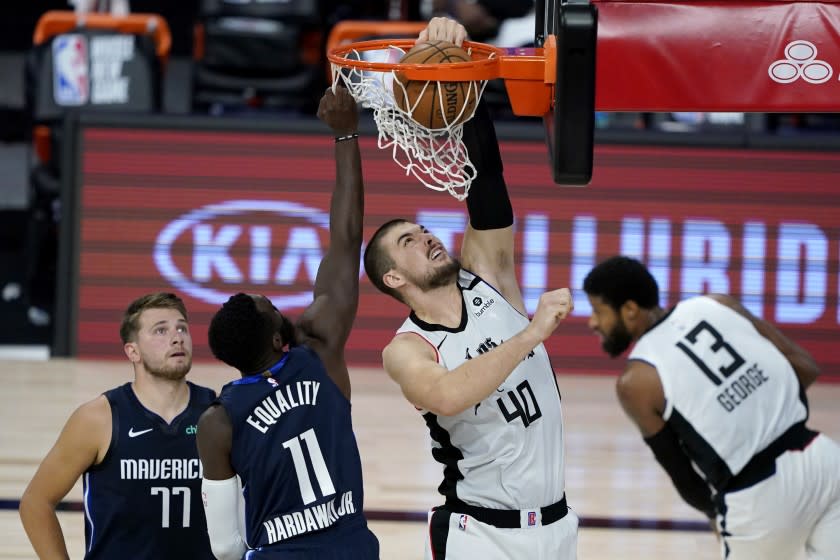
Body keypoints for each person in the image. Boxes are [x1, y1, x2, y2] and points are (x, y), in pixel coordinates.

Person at [361, 17, 578, 559]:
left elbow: (489, 190)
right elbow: (449, 394)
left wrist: (466, 74)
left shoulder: (487, 281)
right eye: (409, 241)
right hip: (479, 535)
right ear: (394, 278)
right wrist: (532, 334)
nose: (428, 238)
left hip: (557, 526)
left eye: (425, 230)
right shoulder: (407, 349)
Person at [196, 85, 379, 560]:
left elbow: (224, 545)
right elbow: (346, 237)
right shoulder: (318, 350)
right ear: (280, 338)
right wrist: (345, 137)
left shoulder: (218, 420)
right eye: (274, 305)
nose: (285, 308)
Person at [582, 255, 840, 559]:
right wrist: (755, 406)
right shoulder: (718, 304)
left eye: (598, 311)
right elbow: (805, 367)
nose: (593, 322)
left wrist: (715, 515)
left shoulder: (636, 381)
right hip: (825, 461)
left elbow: (685, 479)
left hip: (758, 497)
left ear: (629, 310)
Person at [19, 292, 216, 559]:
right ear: (132, 351)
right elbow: (36, 503)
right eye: (160, 330)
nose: (177, 337)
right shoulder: (98, 418)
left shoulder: (216, 412)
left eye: (182, 327)